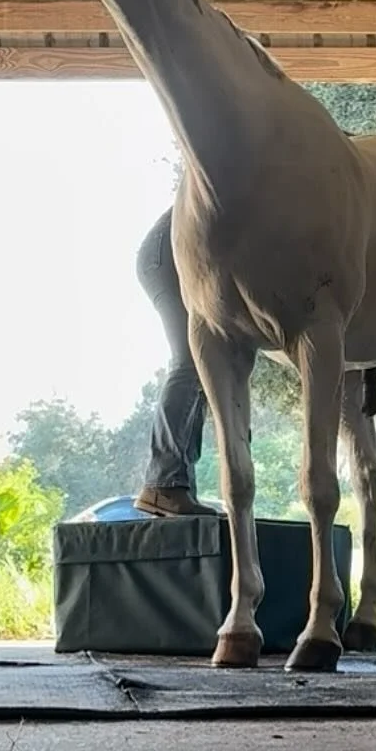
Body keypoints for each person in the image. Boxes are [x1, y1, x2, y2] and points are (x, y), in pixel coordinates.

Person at [132, 207, 217, 518]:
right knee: (191, 361)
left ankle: (177, 488)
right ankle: (162, 484)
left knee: (203, 369)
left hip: (179, 254)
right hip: (168, 255)